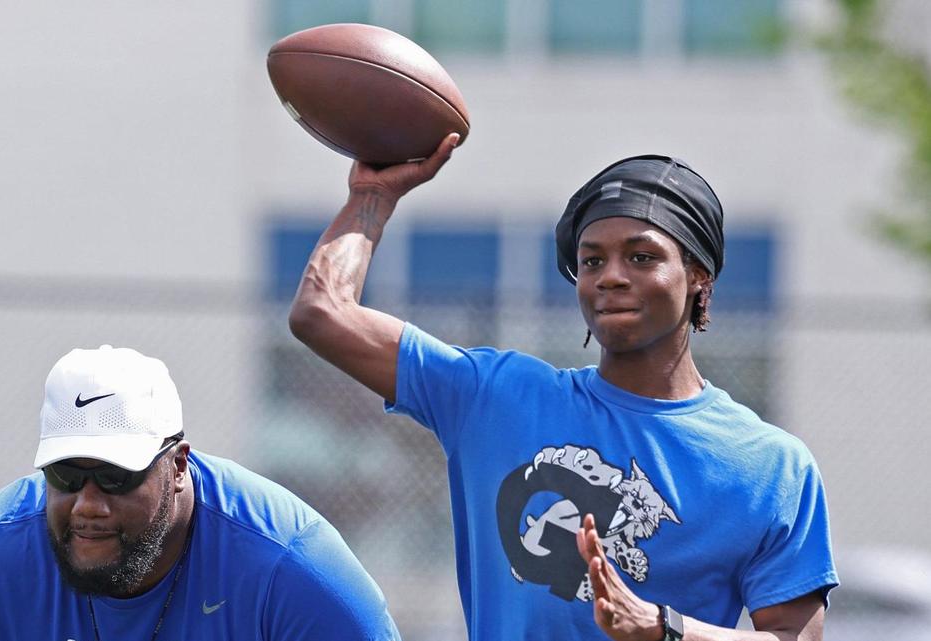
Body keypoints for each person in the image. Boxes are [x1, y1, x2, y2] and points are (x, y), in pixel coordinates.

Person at [288, 135, 838, 641]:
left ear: (699, 276)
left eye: (642, 257)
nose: (610, 275)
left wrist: (662, 628)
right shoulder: (496, 398)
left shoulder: (771, 466)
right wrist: (372, 196)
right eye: (591, 260)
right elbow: (322, 312)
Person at [0, 345, 401, 641]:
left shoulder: (295, 571)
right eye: (66, 475)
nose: (88, 503)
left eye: (117, 476)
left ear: (177, 465)